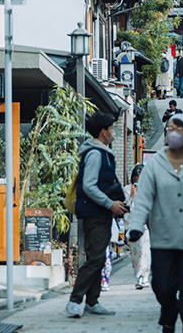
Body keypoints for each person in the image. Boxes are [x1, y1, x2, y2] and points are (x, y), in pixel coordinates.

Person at [128, 114, 183, 333]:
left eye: (179, 129)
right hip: (162, 237)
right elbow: (143, 198)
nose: (173, 133)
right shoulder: (154, 165)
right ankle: (170, 310)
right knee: (162, 286)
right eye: (170, 129)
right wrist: (135, 226)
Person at [65, 112, 128, 319]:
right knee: (96, 258)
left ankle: (92, 301)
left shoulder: (102, 152)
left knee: (98, 258)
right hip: (95, 213)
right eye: (111, 129)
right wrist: (110, 204)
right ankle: (75, 301)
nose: (114, 132)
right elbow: (90, 186)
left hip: (99, 213)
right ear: (103, 132)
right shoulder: (95, 154)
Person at [124, 163, 151, 289]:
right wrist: (132, 196)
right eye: (136, 178)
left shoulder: (148, 189)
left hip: (145, 226)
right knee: (135, 254)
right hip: (131, 226)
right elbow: (125, 208)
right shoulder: (127, 190)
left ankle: (144, 277)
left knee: (145, 252)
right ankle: (138, 277)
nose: (137, 181)